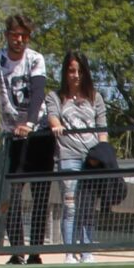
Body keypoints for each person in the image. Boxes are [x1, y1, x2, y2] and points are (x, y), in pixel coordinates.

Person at [0, 13, 57, 258]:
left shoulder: (35, 59)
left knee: (40, 196)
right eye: (14, 35)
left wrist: (30, 123)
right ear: (7, 35)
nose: (19, 40)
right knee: (9, 195)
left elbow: (39, 91)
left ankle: (35, 253)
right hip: (12, 137)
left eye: (23, 36)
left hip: (39, 135)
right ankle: (17, 251)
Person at [49, 51, 107, 253]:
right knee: (70, 206)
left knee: (88, 207)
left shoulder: (95, 97)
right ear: (65, 72)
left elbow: (102, 128)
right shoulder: (55, 96)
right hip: (68, 157)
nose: (75, 75)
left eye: (80, 71)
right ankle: (69, 251)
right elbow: (53, 117)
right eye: (71, 71)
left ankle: (86, 251)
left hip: (91, 159)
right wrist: (56, 125)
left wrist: (103, 154)